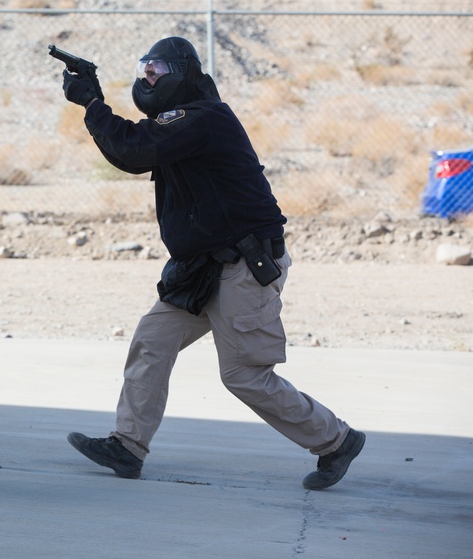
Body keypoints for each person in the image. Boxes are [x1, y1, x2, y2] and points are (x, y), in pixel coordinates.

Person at [59, 36, 364, 490]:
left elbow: (134, 151)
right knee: (152, 341)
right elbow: (139, 145)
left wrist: (93, 105)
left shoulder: (203, 118)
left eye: (157, 69)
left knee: (244, 374)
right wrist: (96, 104)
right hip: (201, 267)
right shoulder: (176, 124)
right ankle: (127, 446)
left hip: (245, 265)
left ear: (183, 73)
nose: (147, 76)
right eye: (144, 68)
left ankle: (336, 440)